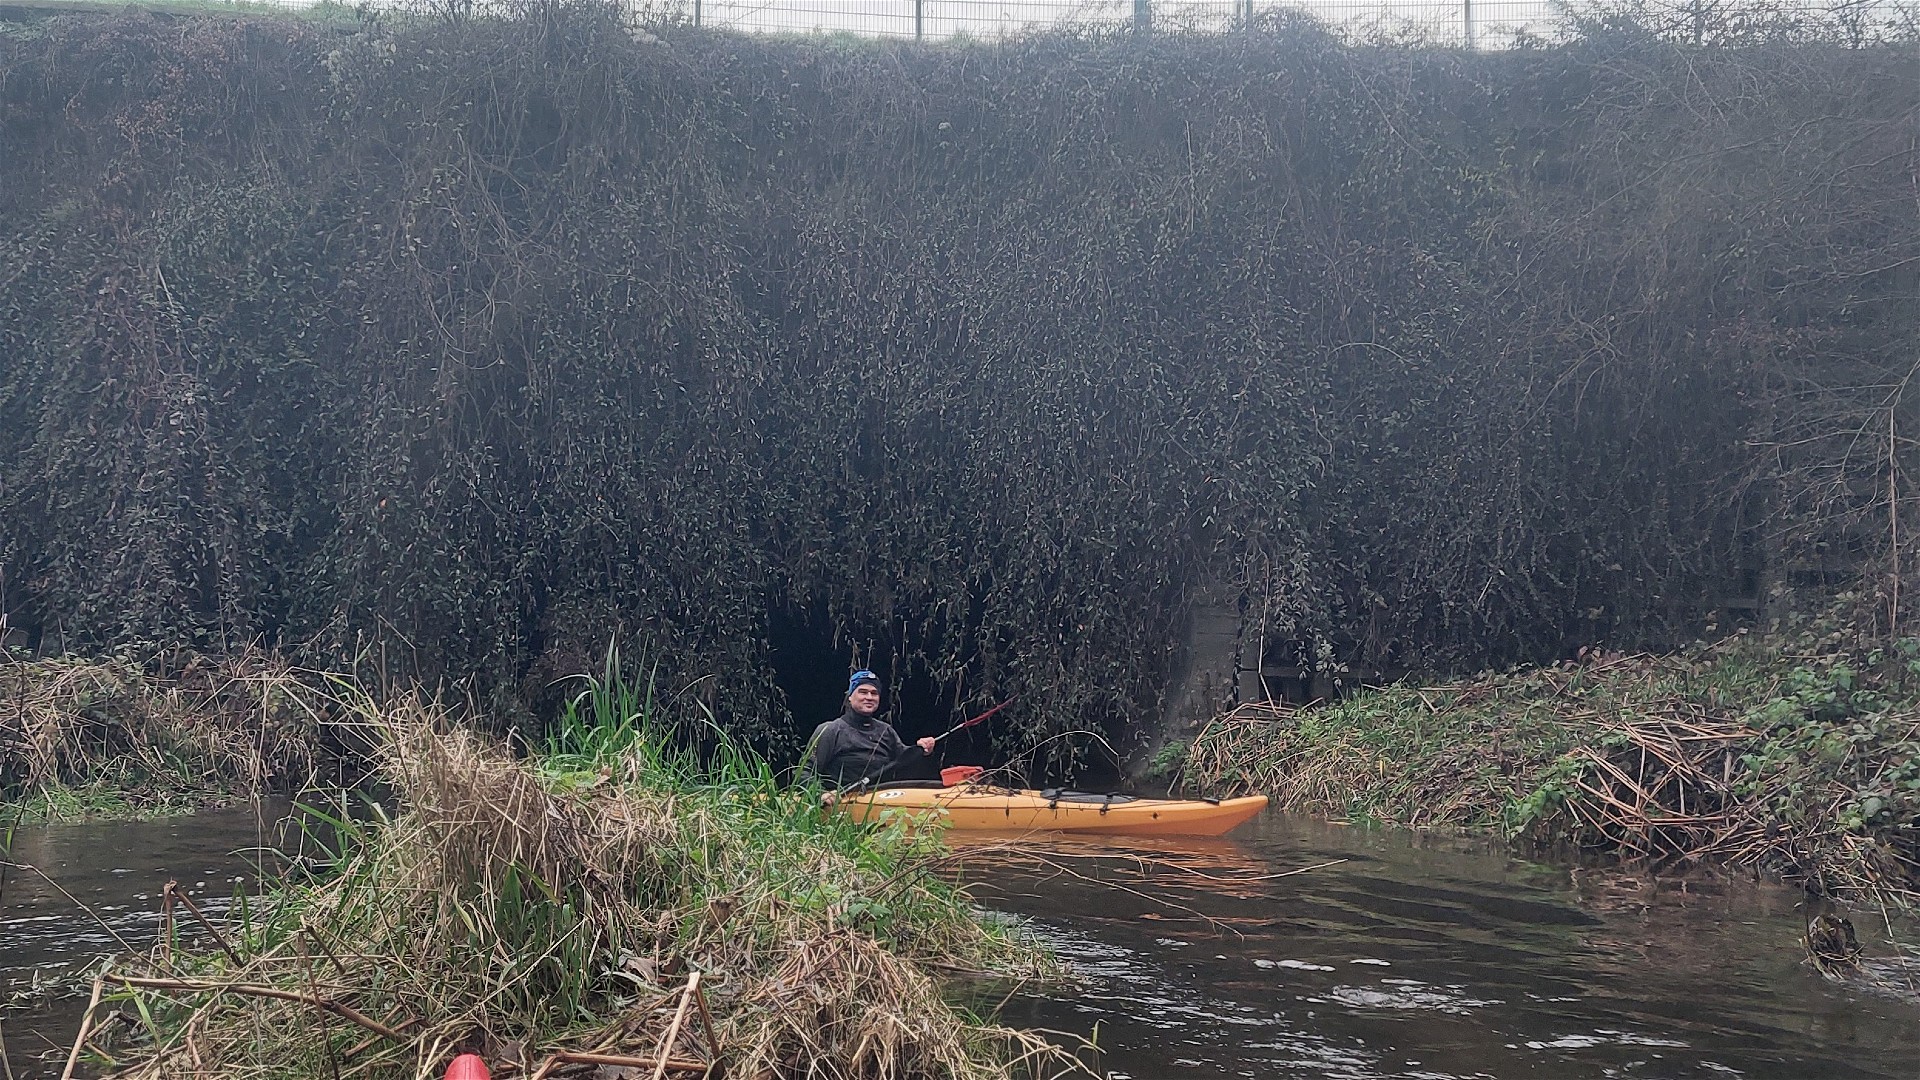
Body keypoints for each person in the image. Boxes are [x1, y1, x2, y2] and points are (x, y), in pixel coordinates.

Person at [804, 669, 937, 790]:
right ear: (850, 697)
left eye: (874, 693)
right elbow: (804, 772)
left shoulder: (886, 731)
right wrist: (820, 794)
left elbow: (905, 761)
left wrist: (923, 750)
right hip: (843, 801)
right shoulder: (830, 730)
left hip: (881, 799)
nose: (869, 697)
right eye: (863, 692)